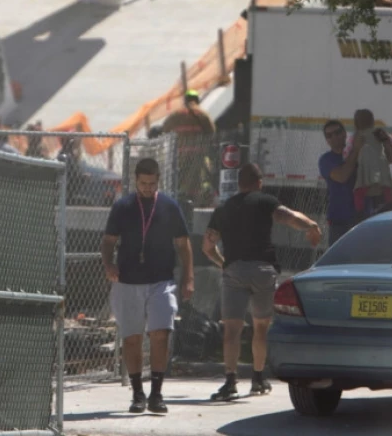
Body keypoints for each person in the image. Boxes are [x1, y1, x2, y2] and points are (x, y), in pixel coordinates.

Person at [202, 163, 322, 401]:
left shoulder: (224, 209)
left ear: (239, 184)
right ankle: (258, 377)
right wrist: (311, 225)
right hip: (262, 271)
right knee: (260, 327)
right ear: (259, 182)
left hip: (234, 271)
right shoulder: (265, 201)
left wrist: (223, 262)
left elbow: (207, 246)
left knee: (231, 330)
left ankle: (230, 380)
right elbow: (288, 217)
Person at [100, 158, 194, 414]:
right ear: (136, 181)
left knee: (160, 334)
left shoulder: (169, 206)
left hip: (161, 280)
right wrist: (109, 264)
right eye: (143, 183)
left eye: (152, 184)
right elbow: (108, 240)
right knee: (132, 339)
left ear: (158, 181)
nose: (148, 188)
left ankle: (157, 393)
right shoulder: (122, 207)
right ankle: (138, 393)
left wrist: (189, 277)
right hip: (127, 281)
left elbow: (183, 243)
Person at [160, 90, 216, 208]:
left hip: (180, 154)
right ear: (197, 100)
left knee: (179, 179)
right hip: (197, 155)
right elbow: (212, 132)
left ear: (184, 100)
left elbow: (164, 130)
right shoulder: (202, 114)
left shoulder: (175, 115)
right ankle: (194, 204)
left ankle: (179, 202)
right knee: (196, 181)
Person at [344, 109, 392, 218]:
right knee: (387, 212)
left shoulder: (355, 137)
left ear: (355, 123)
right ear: (373, 121)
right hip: (383, 181)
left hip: (364, 182)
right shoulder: (379, 133)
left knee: (361, 215)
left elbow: (346, 157)